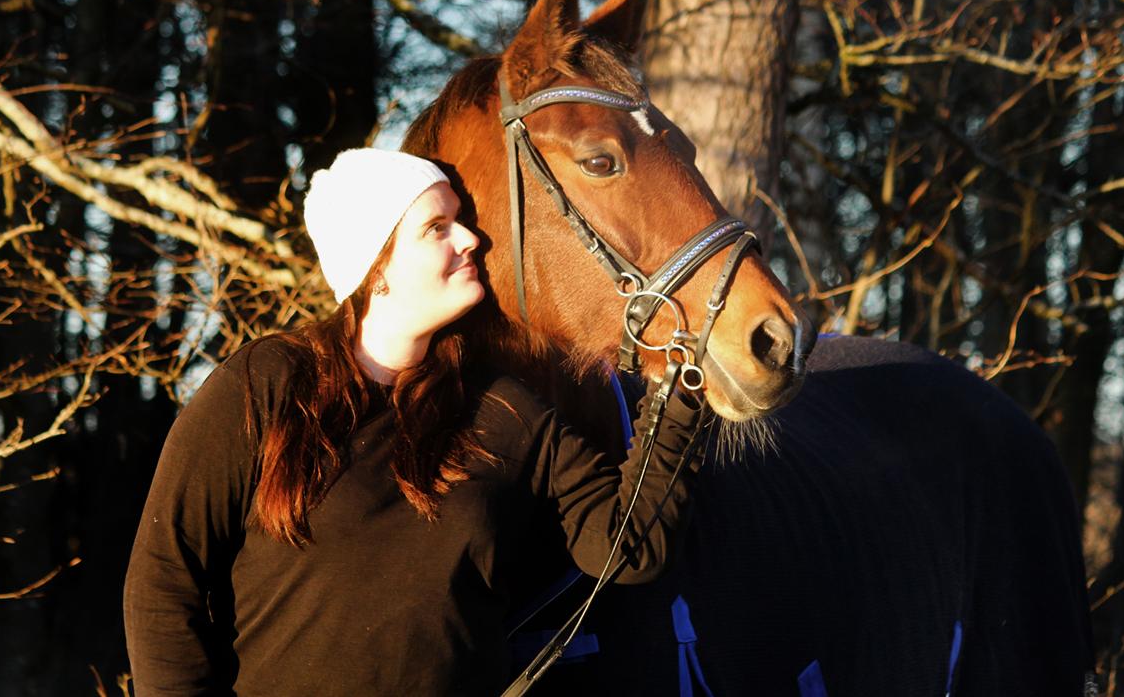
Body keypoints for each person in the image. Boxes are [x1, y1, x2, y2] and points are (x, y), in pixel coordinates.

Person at [123, 148, 706, 696]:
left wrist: (678, 396)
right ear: (375, 266)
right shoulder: (267, 384)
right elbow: (164, 582)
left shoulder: (505, 408)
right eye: (436, 227)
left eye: (460, 221)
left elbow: (625, 549)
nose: (471, 239)